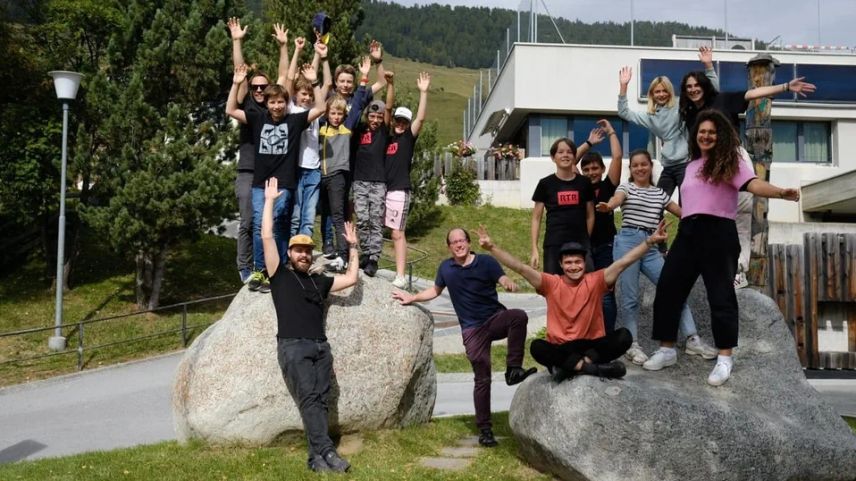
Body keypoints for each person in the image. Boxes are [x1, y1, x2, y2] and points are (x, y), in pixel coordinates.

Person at [650, 109, 801, 386]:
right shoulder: (690, 166)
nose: (706, 136)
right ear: (695, 136)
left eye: (712, 132)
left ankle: (724, 358)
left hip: (719, 232)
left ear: (720, 135)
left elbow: (753, 184)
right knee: (669, 286)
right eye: (702, 132)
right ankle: (667, 349)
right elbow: (689, 202)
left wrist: (780, 192)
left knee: (721, 296)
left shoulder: (731, 162)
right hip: (688, 231)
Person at [391, 227, 536, 447]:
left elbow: (503, 277)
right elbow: (434, 291)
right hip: (472, 330)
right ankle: (485, 430)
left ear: (469, 243)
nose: (458, 245)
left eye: (462, 240)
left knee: (518, 316)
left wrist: (507, 283)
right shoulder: (446, 268)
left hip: (494, 319)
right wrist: (412, 297)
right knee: (482, 378)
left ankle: (513, 369)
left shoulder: (486, 262)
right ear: (449, 247)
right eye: (454, 242)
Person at [679, 59, 815, 288]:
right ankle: (708, 267)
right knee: (711, 216)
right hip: (707, 164)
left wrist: (785, 87)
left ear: (704, 85)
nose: (693, 89)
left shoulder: (721, 100)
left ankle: (737, 270)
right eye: (688, 87)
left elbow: (753, 94)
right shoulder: (690, 115)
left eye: (696, 85)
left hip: (732, 157)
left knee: (740, 214)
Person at [476, 222, 669, 382]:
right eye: (568, 263)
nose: (573, 266)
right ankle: (593, 369)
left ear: (584, 263)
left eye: (578, 262)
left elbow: (623, 262)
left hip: (591, 346)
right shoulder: (551, 283)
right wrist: (491, 248)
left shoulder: (596, 280)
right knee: (537, 347)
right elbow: (520, 268)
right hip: (563, 346)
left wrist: (650, 241)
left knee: (624, 336)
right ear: (561, 265)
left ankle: (570, 367)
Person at [261, 177, 359, 473]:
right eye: (298, 250)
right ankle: (327, 451)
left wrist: (353, 247)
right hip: (293, 346)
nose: (303, 254)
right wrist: (269, 202)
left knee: (320, 401)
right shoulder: (279, 275)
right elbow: (266, 236)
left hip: (320, 347)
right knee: (309, 399)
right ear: (290, 254)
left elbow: (351, 279)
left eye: (307, 250)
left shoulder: (320, 281)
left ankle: (316, 458)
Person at [596, 149, 717, 367]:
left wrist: (705, 213)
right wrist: (609, 206)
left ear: (651, 167)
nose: (640, 168)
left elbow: (682, 212)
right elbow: (616, 199)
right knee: (630, 297)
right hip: (628, 242)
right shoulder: (626, 187)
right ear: (630, 169)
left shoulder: (660, 193)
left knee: (673, 289)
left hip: (651, 246)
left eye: (644, 164)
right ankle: (632, 344)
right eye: (635, 165)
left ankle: (692, 339)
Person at [225, 62, 326, 293]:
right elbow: (230, 110)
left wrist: (315, 82)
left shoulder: (295, 121)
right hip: (261, 183)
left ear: (286, 103)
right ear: (267, 104)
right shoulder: (258, 118)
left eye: (280, 102)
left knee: (279, 224)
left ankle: (277, 269)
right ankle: (260, 269)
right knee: (260, 225)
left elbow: (321, 108)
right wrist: (236, 83)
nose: (277, 106)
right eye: (272, 102)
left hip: (284, 183)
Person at [226, 18, 288, 288]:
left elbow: (284, 76)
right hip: (248, 170)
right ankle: (245, 267)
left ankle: (266, 267)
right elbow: (239, 73)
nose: (260, 90)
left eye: (264, 86)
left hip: (270, 174)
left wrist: (284, 47)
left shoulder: (274, 106)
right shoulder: (248, 107)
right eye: (256, 87)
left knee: (272, 222)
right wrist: (236, 41)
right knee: (248, 221)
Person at [617, 47, 718, 199]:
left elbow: (712, 92)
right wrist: (623, 86)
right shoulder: (650, 116)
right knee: (657, 201)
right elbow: (624, 112)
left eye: (665, 91)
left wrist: (709, 66)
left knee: (688, 201)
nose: (661, 94)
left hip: (686, 162)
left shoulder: (680, 105)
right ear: (652, 94)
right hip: (668, 165)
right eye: (657, 91)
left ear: (670, 92)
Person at [575, 119, 622, 332]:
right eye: (586, 169)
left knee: (605, 294)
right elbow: (570, 161)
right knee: (584, 294)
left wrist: (611, 132)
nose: (591, 172)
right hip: (583, 248)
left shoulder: (608, 186)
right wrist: (589, 143)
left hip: (606, 246)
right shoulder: (579, 186)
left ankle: (608, 337)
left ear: (602, 169)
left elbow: (617, 157)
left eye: (595, 168)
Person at [385, 72, 430, 288]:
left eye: (404, 122)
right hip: (382, 188)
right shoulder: (387, 138)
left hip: (398, 189)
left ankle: (401, 275)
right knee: (378, 229)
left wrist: (423, 93)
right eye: (398, 120)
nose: (400, 124)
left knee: (397, 232)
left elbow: (420, 119)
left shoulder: (407, 138)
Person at [287, 36, 332, 238]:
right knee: (295, 214)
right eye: (303, 94)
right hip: (295, 167)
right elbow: (290, 79)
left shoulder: (315, 109)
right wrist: (297, 51)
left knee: (309, 215)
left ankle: (304, 248)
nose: (307, 97)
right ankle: (291, 249)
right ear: (295, 94)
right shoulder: (291, 109)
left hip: (313, 168)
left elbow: (326, 82)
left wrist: (319, 54)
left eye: (310, 95)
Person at [530, 137, 595, 275]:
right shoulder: (545, 184)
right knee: (554, 285)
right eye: (560, 152)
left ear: (574, 156)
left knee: (586, 284)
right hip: (554, 244)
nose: (565, 155)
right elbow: (536, 218)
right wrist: (534, 248)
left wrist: (586, 239)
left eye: (569, 152)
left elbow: (590, 215)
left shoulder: (585, 183)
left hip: (581, 244)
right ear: (553, 157)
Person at [352, 71, 395, 277]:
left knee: (375, 220)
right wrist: (363, 81)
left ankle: (374, 259)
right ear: (367, 116)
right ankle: (366, 253)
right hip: (359, 181)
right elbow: (357, 107)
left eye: (379, 117)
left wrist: (390, 85)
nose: (376, 120)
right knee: (362, 219)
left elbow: (389, 107)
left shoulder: (383, 132)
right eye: (372, 116)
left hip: (378, 182)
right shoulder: (359, 129)